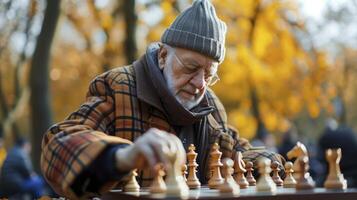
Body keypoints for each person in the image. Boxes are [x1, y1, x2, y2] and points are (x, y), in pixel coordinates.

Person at [41, 0, 285, 198]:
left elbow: (238, 152)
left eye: (209, 76)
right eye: (191, 68)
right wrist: (123, 157)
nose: (201, 84)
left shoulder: (211, 107)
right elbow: (58, 143)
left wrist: (271, 162)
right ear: (163, 56)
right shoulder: (118, 86)